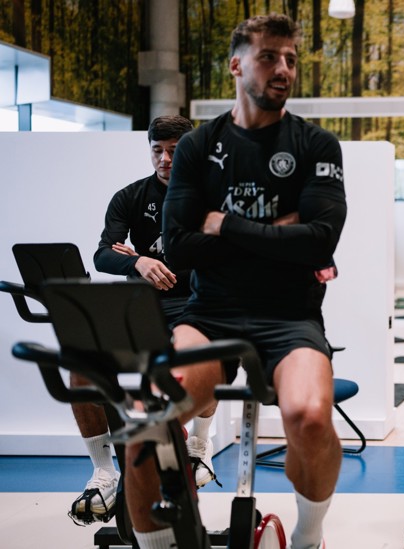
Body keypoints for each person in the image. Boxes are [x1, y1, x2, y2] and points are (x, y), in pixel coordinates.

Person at [126, 14, 346, 549]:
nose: (284, 68)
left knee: (312, 417)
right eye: (269, 56)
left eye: (291, 58)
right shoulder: (199, 147)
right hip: (210, 315)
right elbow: (177, 245)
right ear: (236, 65)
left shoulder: (316, 145)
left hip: (292, 317)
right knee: (145, 423)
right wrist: (279, 231)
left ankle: (310, 536)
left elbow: (320, 242)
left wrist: (223, 223)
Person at [67, 116, 219, 528]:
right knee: (81, 365)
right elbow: (103, 254)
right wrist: (138, 260)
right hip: (142, 307)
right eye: (157, 150)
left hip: (198, 305)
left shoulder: (214, 195)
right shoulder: (130, 197)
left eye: (174, 150)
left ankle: (200, 447)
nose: (165, 159)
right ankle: (104, 473)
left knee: (202, 362)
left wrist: (174, 264)